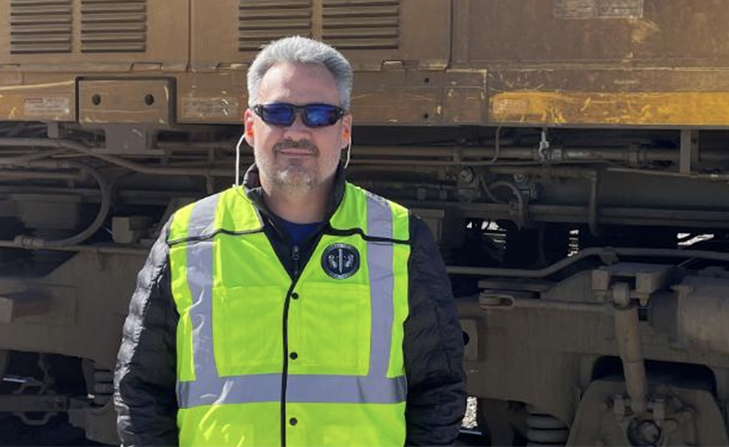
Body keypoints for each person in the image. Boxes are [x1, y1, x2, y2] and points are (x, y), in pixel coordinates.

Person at [115, 36, 467, 446]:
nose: (297, 131)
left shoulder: (400, 238)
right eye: (278, 113)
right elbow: (140, 391)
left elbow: (440, 390)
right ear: (251, 126)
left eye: (319, 114)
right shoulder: (189, 236)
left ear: (345, 130)